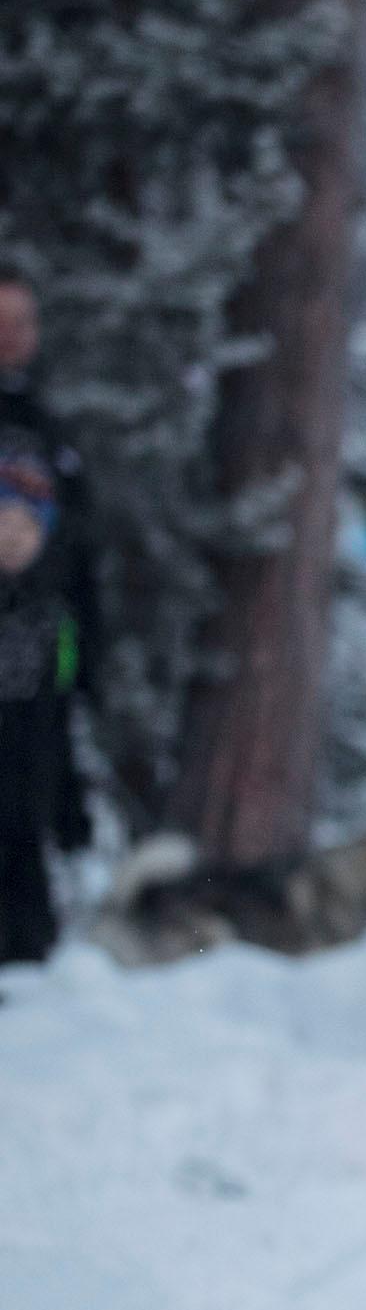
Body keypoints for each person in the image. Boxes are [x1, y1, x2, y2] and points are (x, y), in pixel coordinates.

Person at [0, 267, 97, 965]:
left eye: (20, 323)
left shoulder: (53, 432)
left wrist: (86, 662)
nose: (10, 337)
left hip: (36, 665)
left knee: (26, 814)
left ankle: (31, 953)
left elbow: (82, 550)